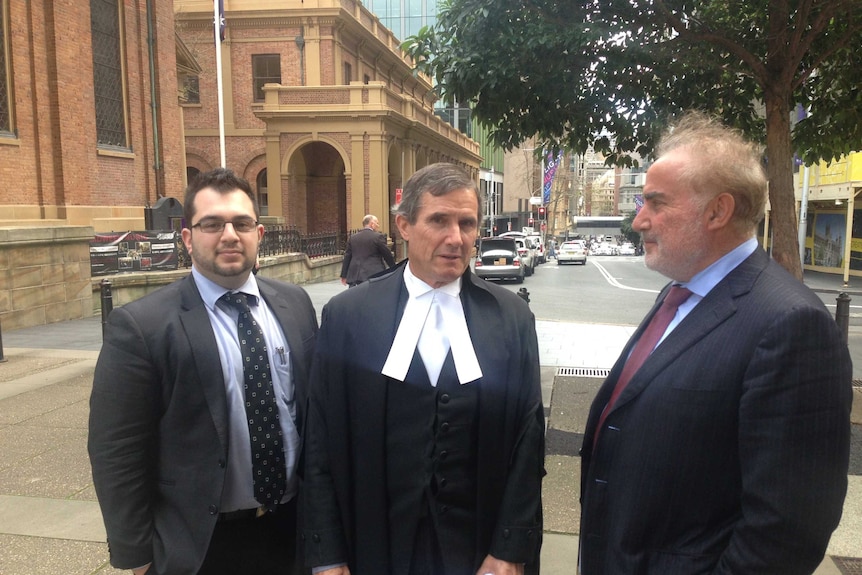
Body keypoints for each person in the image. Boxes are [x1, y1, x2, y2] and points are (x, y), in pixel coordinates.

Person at [578, 112, 852, 574]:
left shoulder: (791, 326)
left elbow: (785, 533)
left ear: (718, 211)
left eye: (656, 203)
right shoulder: (679, 291)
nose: (639, 220)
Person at [302, 162, 544, 575]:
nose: (456, 239)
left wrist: (510, 549)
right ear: (403, 226)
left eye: (467, 223)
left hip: (478, 548)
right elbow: (320, 442)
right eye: (439, 221)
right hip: (376, 544)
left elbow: (528, 440)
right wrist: (327, 556)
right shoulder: (347, 316)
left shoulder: (511, 318)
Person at [88, 168, 318, 575]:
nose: (229, 235)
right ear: (189, 239)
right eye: (212, 224)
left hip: (292, 531)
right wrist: (136, 556)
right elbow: (116, 450)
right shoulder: (142, 326)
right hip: (200, 544)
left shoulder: (295, 305)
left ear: (258, 236)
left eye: (242, 223)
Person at [340, 214, 396, 287]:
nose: (378, 226)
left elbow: (347, 257)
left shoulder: (353, 238)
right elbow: (387, 255)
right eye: (377, 223)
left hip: (355, 275)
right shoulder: (378, 237)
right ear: (372, 224)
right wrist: (394, 268)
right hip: (373, 274)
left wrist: (343, 275)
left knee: (356, 297)